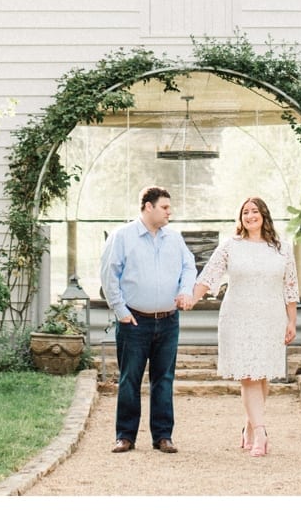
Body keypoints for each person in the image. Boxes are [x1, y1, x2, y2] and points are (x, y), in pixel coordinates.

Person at [190, 196, 298, 458]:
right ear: (241, 218)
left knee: (262, 375)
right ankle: (261, 432)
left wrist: (291, 320)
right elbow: (210, 274)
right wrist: (192, 298)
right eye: (245, 212)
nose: (250, 216)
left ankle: (249, 427)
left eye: (255, 211)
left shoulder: (283, 248)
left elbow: (290, 286)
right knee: (248, 374)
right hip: (238, 317)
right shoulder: (231, 246)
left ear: (264, 215)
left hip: (271, 317)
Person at [99, 184, 197, 454]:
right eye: (165, 207)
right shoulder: (122, 236)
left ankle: (163, 436)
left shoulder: (174, 239)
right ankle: (125, 436)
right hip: (135, 322)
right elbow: (109, 275)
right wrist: (121, 312)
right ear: (148, 207)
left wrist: (185, 290)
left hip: (168, 320)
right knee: (130, 379)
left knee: (163, 379)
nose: (169, 212)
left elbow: (189, 267)